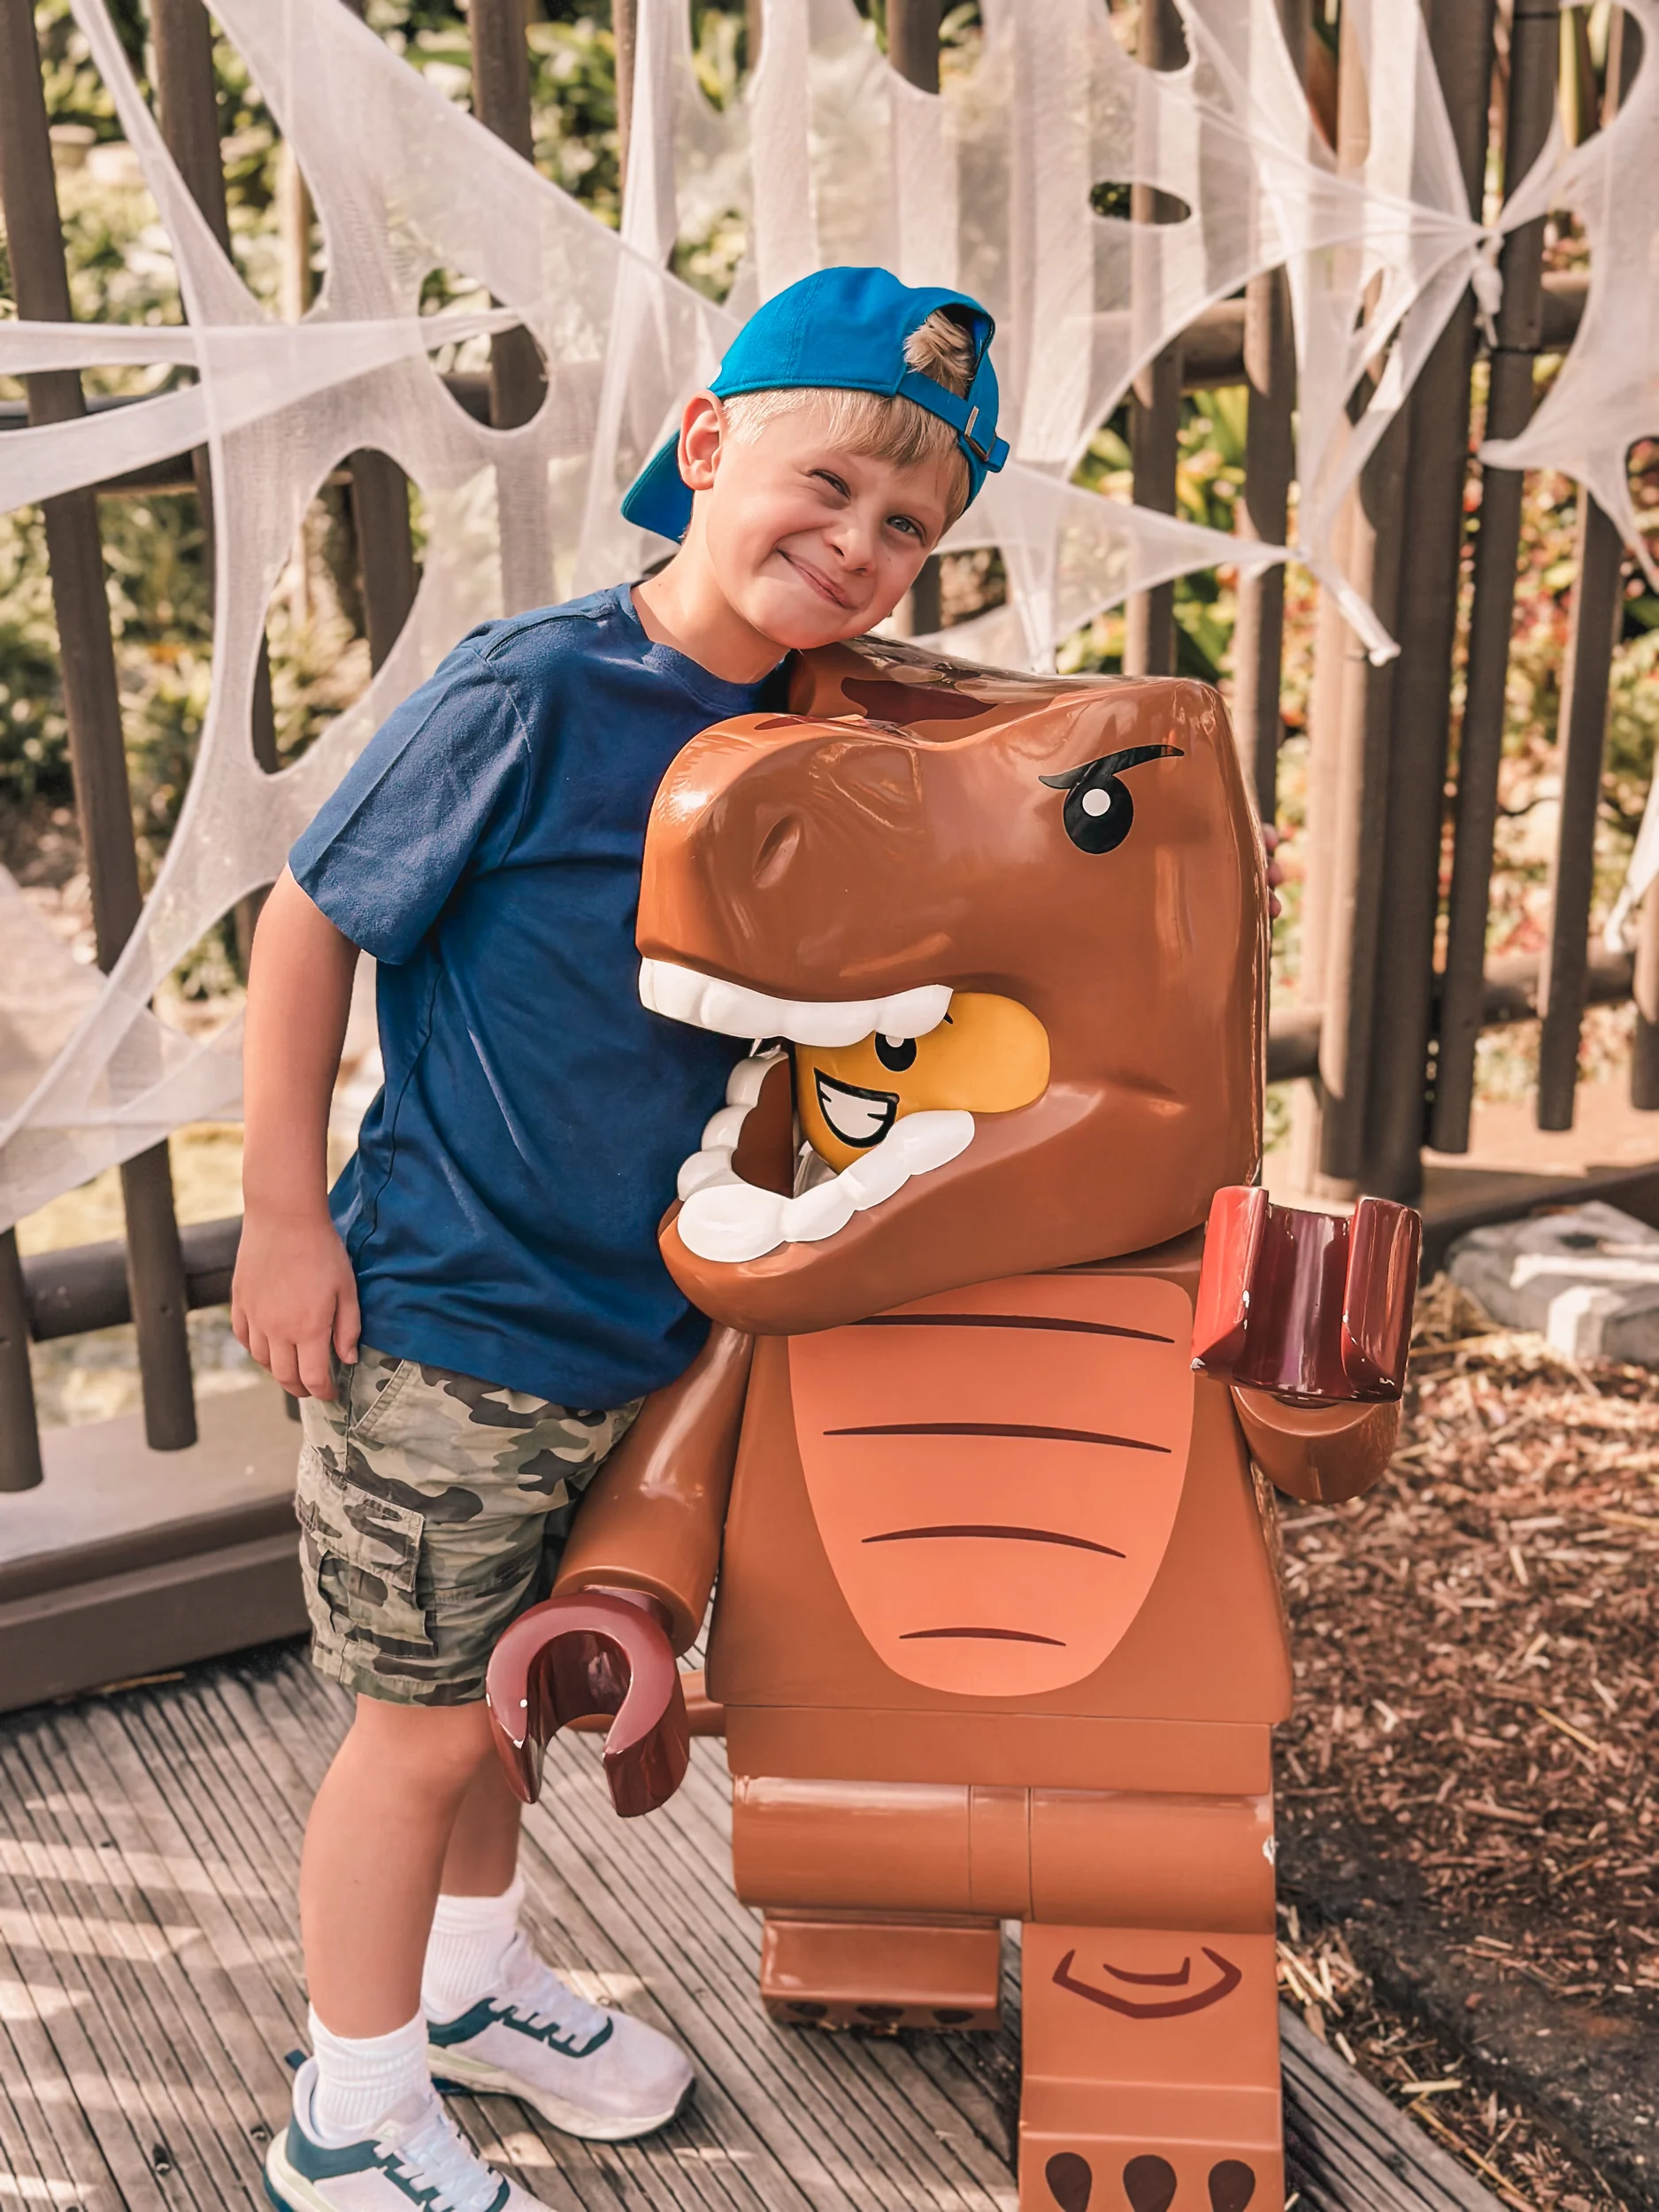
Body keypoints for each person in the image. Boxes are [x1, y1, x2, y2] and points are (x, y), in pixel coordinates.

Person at [232, 264, 1009, 2212]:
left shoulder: (806, 735)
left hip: (624, 1328)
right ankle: (346, 2110)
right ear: (707, 444)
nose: (858, 543)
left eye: (908, 526)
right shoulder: (539, 688)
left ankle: (472, 1987)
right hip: (446, 1320)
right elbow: (311, 917)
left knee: (507, 1703)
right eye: (828, 484)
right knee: (413, 1741)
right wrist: (280, 1214)